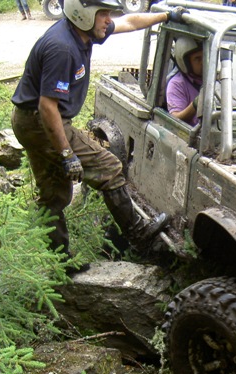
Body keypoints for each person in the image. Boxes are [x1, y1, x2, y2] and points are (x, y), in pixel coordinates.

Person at [11, 0, 186, 266]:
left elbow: (130, 22)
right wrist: (67, 154)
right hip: (40, 122)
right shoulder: (62, 48)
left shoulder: (80, 32)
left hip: (29, 121)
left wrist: (165, 16)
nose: (108, 19)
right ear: (84, 14)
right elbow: (47, 107)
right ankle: (139, 235)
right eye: (103, 13)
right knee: (109, 168)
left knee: (53, 195)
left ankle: (60, 264)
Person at [166, 37, 203, 127]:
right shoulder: (177, 84)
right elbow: (175, 119)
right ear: (186, 62)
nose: (203, 62)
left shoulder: (215, 79)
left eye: (205, 57)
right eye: (198, 59)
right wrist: (195, 104)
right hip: (192, 133)